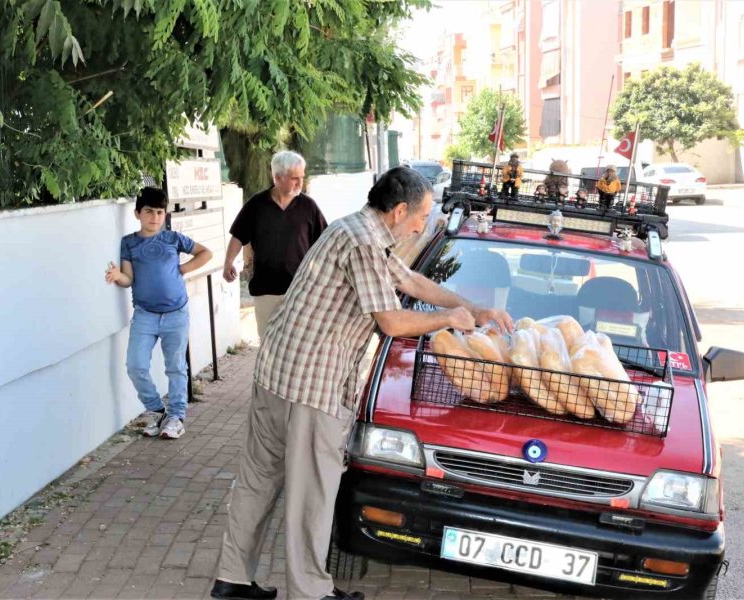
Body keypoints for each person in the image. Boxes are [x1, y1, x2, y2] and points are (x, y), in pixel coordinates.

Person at [209, 167, 514, 600]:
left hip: (276, 372)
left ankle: (231, 580)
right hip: (311, 386)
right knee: (311, 493)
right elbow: (390, 322)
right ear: (400, 210)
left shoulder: (355, 229)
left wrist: (474, 308)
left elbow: (410, 281)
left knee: (258, 479)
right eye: (421, 216)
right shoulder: (364, 243)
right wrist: (448, 319)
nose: (421, 226)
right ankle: (310, 592)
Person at [105, 187, 212, 439]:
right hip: (145, 315)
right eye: (149, 212)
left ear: (165, 214)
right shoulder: (129, 243)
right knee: (136, 365)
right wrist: (117, 276)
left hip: (176, 313)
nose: (154, 217)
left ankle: (176, 416)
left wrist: (183, 269)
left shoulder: (173, 238)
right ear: (137, 214)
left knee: (176, 366)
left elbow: (205, 253)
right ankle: (156, 410)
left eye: (160, 212)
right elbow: (128, 278)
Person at [223, 151, 327, 339]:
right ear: (278, 177)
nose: (300, 183)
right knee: (268, 345)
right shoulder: (256, 205)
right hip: (266, 290)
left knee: (298, 345)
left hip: (300, 290)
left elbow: (324, 243)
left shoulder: (309, 207)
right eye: (295, 178)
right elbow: (238, 235)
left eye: (301, 177)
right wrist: (228, 262)